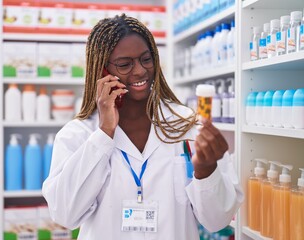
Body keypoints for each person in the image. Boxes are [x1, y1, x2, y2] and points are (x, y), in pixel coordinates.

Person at [42, 14, 243, 240]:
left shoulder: (186, 125)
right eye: (125, 64)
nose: (139, 71)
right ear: (102, 71)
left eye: (146, 59)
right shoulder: (78, 134)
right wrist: (104, 134)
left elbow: (217, 221)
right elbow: (65, 214)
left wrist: (206, 170)